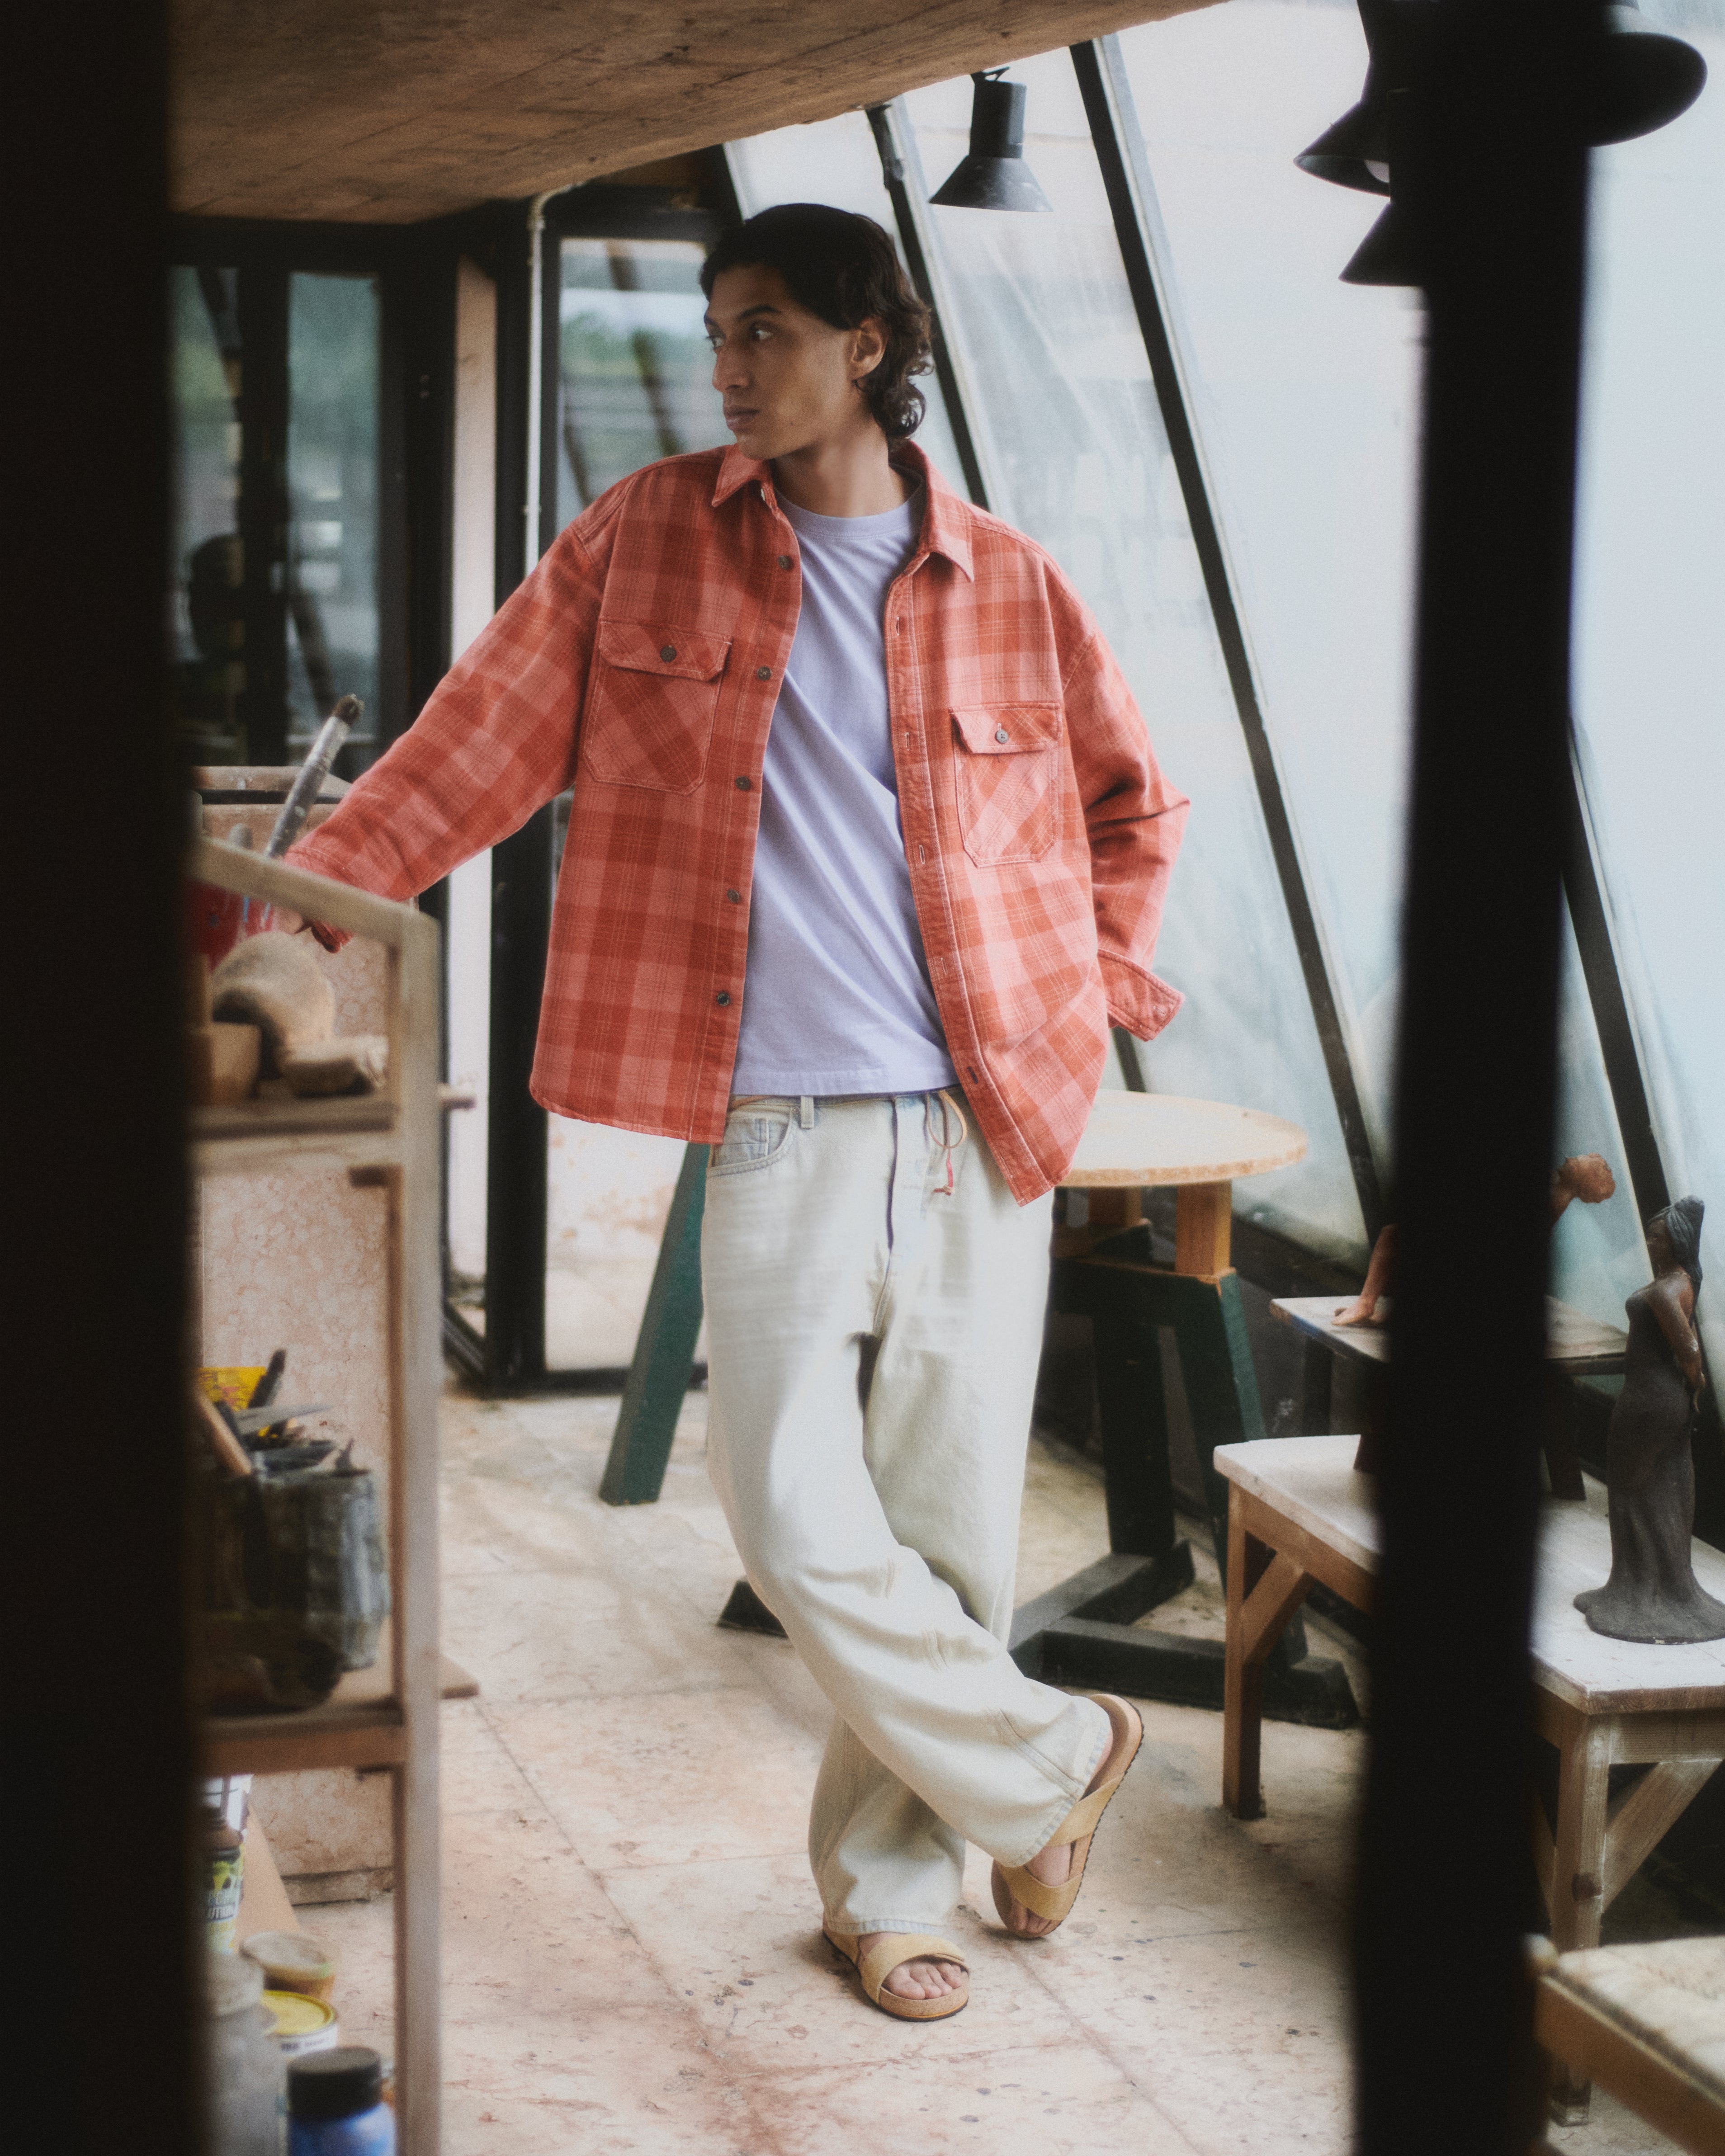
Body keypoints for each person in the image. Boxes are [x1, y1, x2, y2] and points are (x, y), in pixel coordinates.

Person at [279, 203, 1189, 2021]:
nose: (725, 366)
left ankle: (894, 1888)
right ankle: (1053, 1757)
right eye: (714, 330)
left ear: (867, 343)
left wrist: (1091, 997)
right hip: (780, 1111)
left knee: (944, 1529)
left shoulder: (1009, 583)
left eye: (762, 328)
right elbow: (466, 752)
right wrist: (291, 915)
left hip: (986, 1114)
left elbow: (1132, 806)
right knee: (783, 1508)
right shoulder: (643, 541)